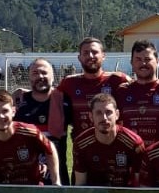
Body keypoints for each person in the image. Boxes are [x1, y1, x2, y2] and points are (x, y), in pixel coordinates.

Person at [48, 38, 129, 177]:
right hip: (83, 154)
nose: (90, 56)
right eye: (86, 53)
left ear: (103, 55)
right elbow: (48, 93)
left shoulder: (117, 80)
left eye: (94, 52)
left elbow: (143, 84)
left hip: (115, 152)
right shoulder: (69, 83)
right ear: (79, 57)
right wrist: (22, 90)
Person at [0, 90, 60, 185]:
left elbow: (50, 148)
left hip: (30, 190)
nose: (1, 116)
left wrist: (56, 181)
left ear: (13, 111)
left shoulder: (30, 132)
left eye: (5, 111)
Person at [72, 93, 145, 187]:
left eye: (108, 112)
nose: (104, 118)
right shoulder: (81, 143)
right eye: (99, 113)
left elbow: (140, 185)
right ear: (91, 117)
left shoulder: (134, 143)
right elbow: (80, 185)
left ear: (117, 115)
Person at [114, 40, 159, 146]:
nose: (143, 63)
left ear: (157, 61)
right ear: (131, 62)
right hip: (131, 156)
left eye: (148, 59)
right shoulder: (122, 91)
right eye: (138, 59)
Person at [14, 58, 67, 184]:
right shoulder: (18, 103)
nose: (40, 76)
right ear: (29, 77)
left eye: (44, 73)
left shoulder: (64, 102)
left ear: (53, 76)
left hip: (58, 178)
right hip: (26, 177)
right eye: (35, 73)